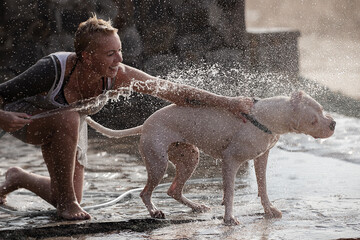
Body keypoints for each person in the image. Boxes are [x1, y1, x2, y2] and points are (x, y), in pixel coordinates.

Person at [0, 15, 253, 221]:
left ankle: (18, 178)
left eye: (119, 51)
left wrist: (228, 103)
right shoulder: (52, 68)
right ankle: (69, 204)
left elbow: (171, 91)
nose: (119, 59)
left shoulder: (117, 74)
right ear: (87, 57)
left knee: (64, 189)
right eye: (110, 53)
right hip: (25, 120)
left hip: (68, 126)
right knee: (69, 122)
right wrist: (3, 117)